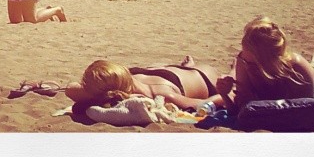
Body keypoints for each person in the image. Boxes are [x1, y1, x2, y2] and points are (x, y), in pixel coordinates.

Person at [216, 16, 314, 115]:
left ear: (270, 62)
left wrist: (254, 102)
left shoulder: (297, 69)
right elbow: (239, 113)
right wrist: (225, 94)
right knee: (313, 69)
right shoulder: (244, 60)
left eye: (253, 64)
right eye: (244, 59)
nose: (247, 67)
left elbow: (294, 117)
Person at [65, 57, 225, 111]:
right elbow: (205, 103)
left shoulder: (161, 94)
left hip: (205, 75)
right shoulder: (159, 95)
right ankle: (185, 67)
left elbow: (71, 89)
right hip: (193, 76)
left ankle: (186, 67)